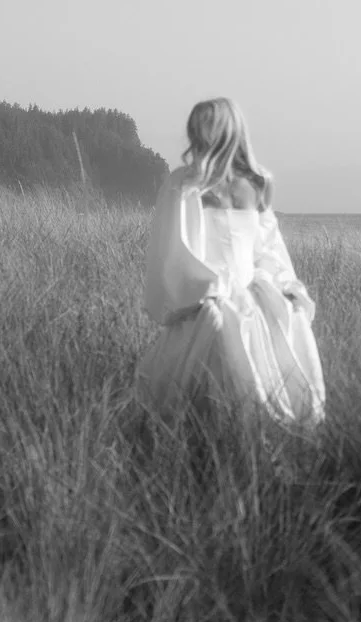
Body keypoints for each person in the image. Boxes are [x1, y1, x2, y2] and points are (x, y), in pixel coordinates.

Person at [138, 97, 324, 424]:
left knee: (289, 321)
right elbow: (172, 250)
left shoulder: (257, 183)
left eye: (202, 129)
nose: (195, 138)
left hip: (252, 292)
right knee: (220, 330)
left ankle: (270, 437)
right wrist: (208, 291)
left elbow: (267, 246)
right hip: (205, 294)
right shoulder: (183, 186)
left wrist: (285, 287)